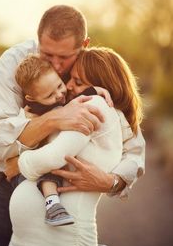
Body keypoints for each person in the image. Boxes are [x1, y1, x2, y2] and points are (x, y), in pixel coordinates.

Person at [0, 5, 145, 246]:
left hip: (53, 185)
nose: (56, 64)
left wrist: (111, 181)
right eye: (47, 54)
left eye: (64, 58)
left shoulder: (91, 69)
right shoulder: (15, 62)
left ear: (84, 44)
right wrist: (56, 119)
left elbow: (134, 147)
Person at [9, 46, 144, 246]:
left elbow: (135, 156)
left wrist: (21, 161)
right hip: (39, 243)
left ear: (104, 86)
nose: (68, 86)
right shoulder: (73, 104)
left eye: (78, 82)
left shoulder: (94, 106)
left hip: (64, 243)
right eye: (69, 78)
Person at [15, 53, 113, 227]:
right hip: (44, 153)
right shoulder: (35, 107)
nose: (60, 95)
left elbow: (76, 99)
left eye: (60, 85)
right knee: (49, 173)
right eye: (50, 95)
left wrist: (95, 90)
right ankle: (52, 204)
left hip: (60, 153)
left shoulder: (60, 94)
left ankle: (83, 238)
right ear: (32, 98)